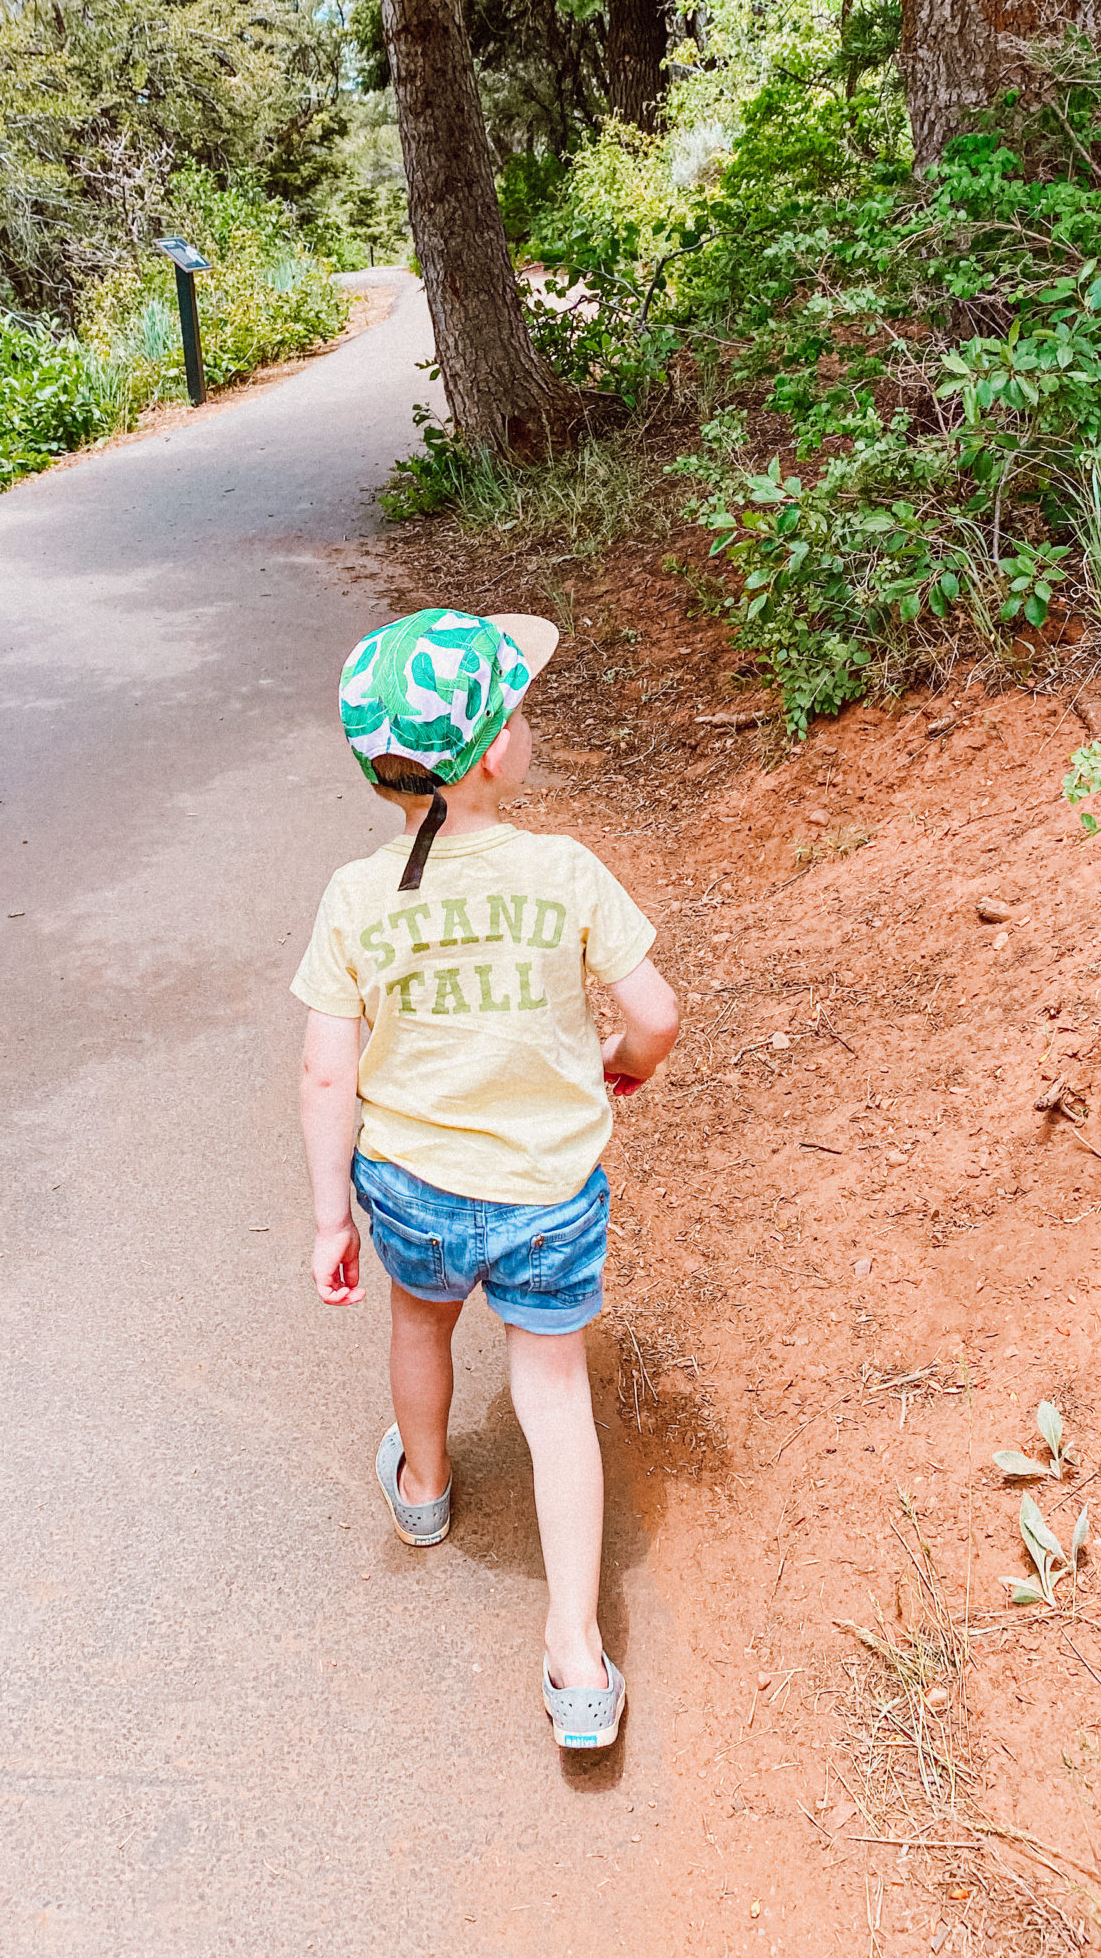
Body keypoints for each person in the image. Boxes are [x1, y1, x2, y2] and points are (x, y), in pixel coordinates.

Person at [291, 607, 680, 1751]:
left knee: (420, 1325)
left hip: (410, 1184)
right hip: (547, 1190)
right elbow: (653, 1014)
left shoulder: (357, 897)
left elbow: (326, 1072)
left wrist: (329, 1217)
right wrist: (622, 1062)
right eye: (515, 707)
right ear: (497, 751)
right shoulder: (562, 871)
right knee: (551, 1388)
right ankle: (575, 1652)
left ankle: (421, 1485)